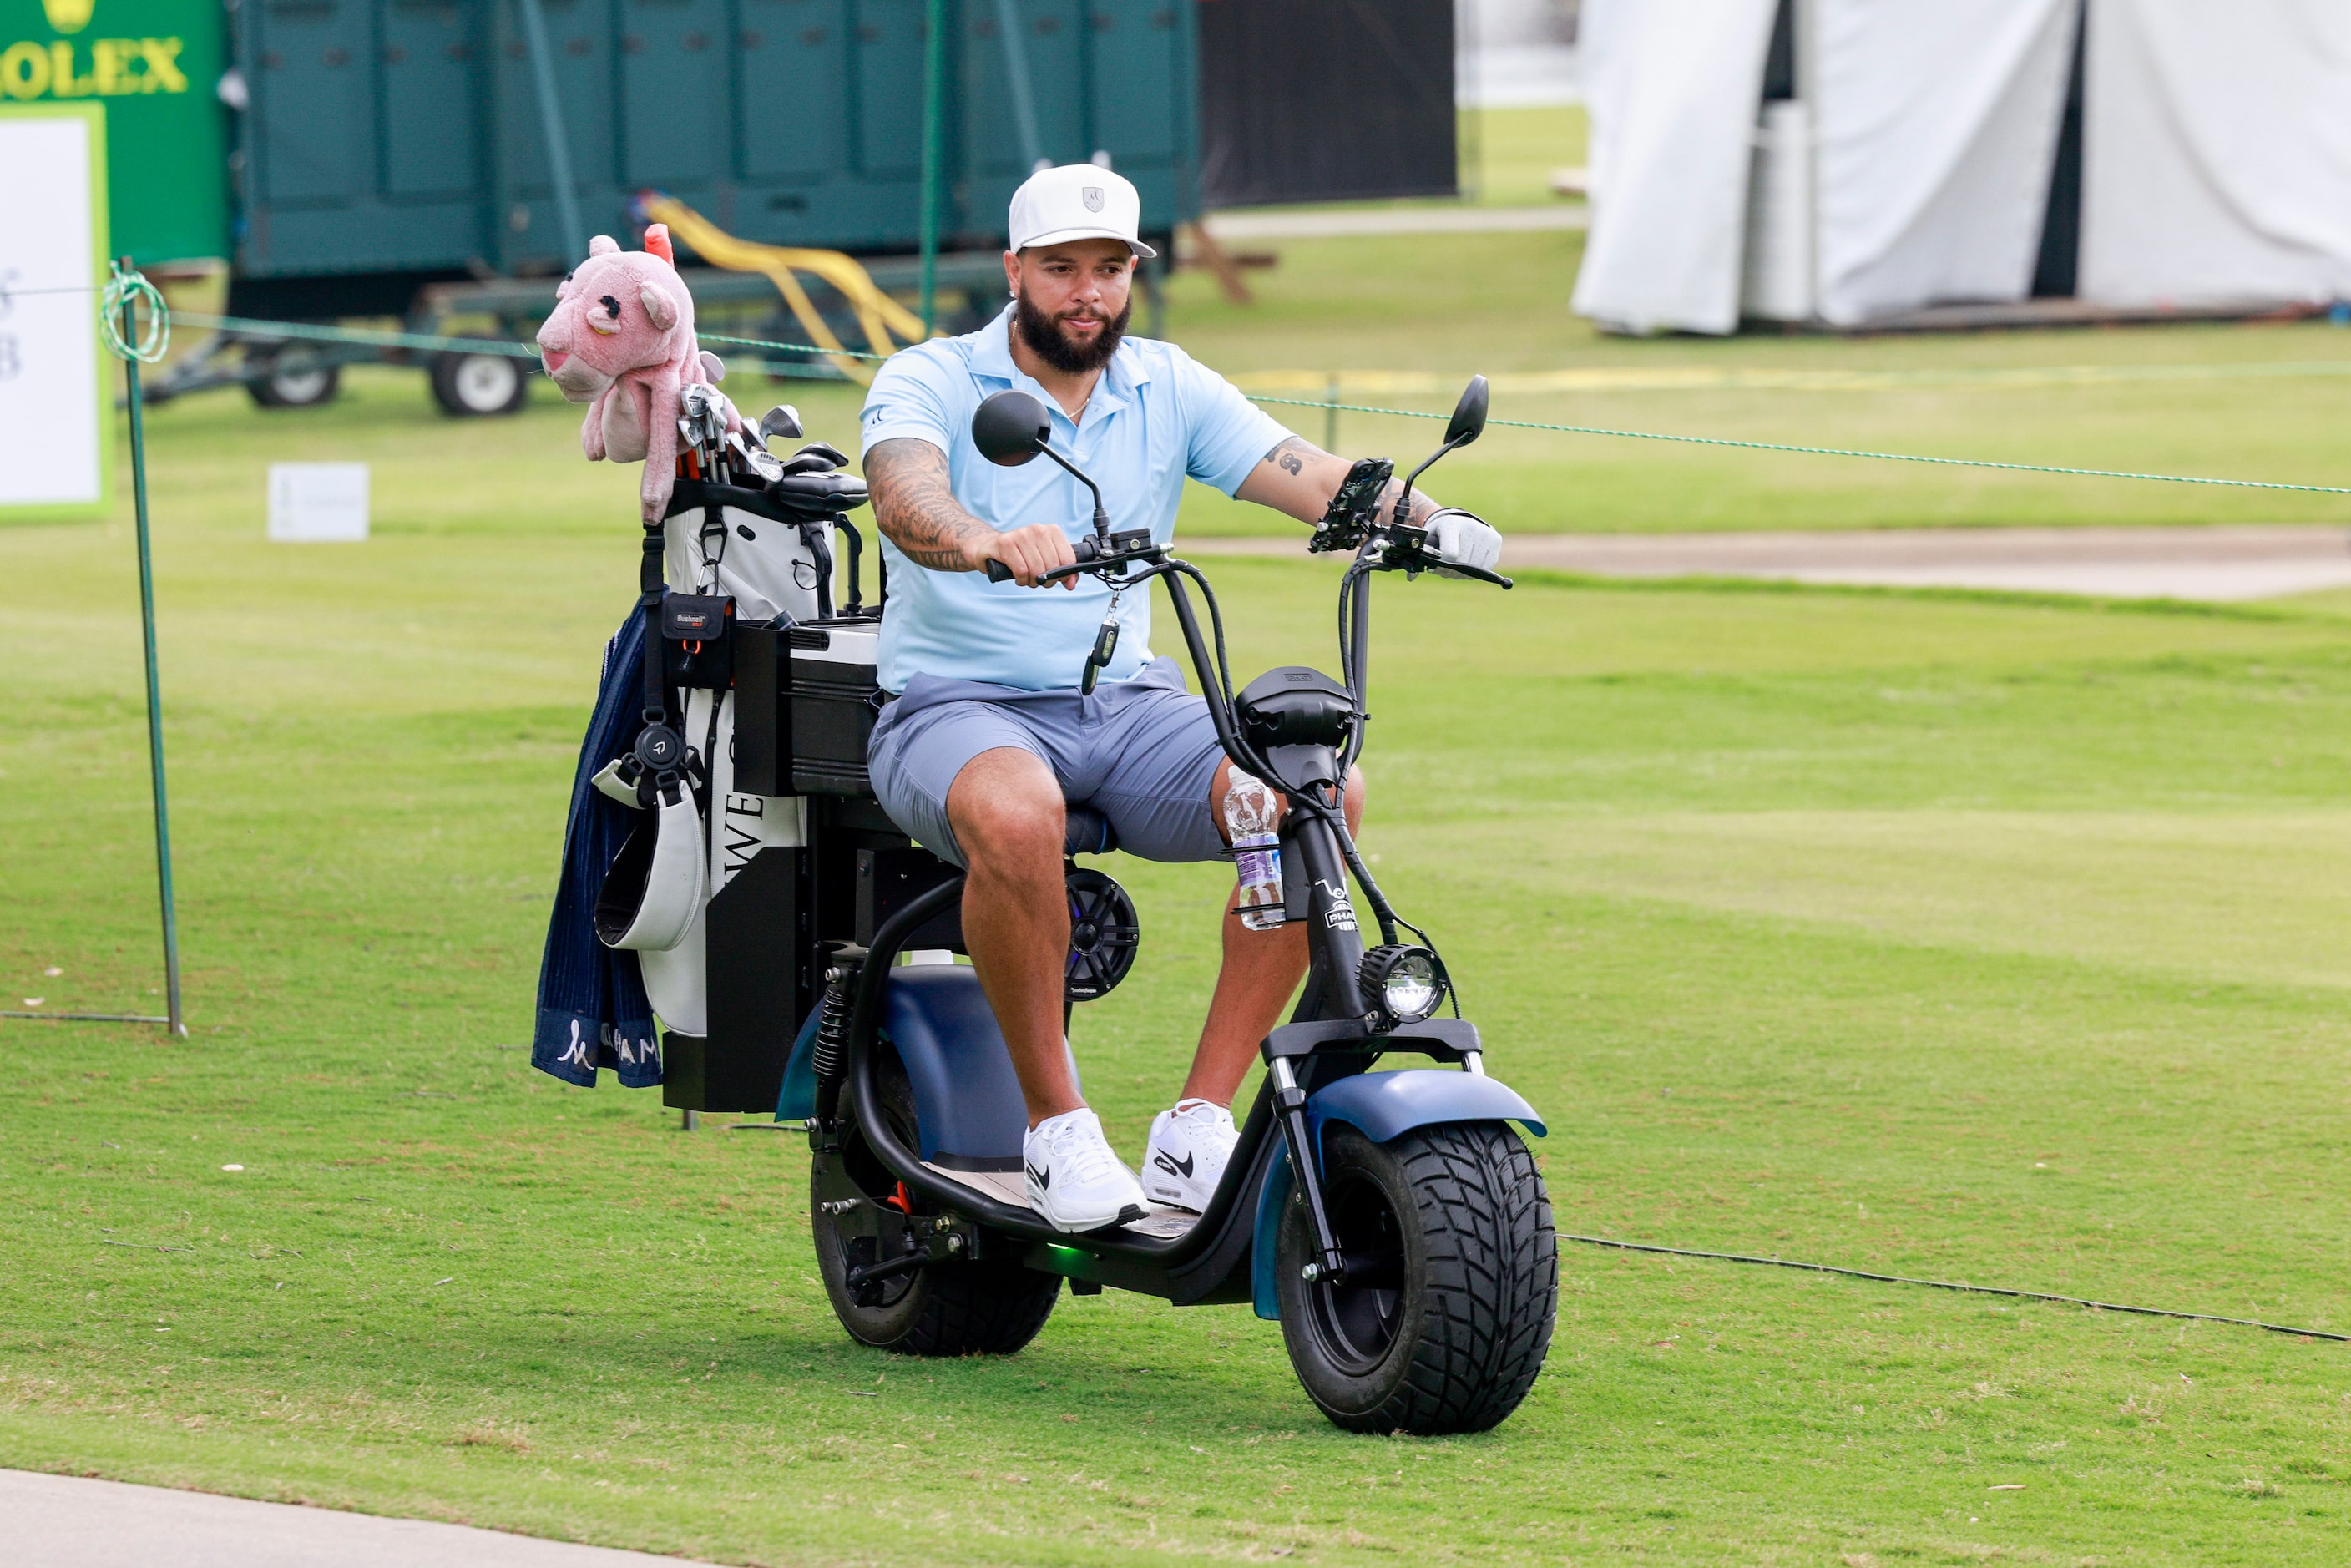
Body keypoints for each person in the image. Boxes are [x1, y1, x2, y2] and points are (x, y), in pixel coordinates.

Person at [857, 164, 1503, 1233]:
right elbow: (903, 492)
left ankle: (1198, 1120)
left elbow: (1303, 470)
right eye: (1060, 269)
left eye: (1108, 270)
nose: (1086, 294)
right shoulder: (931, 376)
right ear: (1014, 270)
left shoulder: (1164, 382)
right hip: (952, 706)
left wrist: (1425, 514)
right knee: (1019, 813)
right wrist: (980, 540)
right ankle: (1055, 1126)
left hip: (1127, 705)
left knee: (1309, 800)